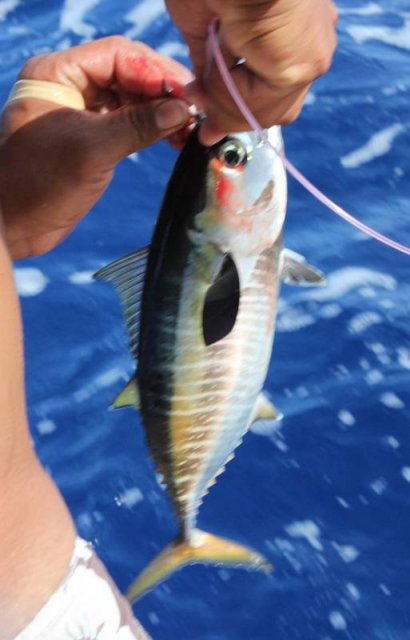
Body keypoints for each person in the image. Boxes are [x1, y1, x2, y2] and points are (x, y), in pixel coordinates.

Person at [0, 0, 337, 637]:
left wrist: (10, 211)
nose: (247, 147)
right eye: (233, 160)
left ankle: (187, 529)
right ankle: (189, 533)